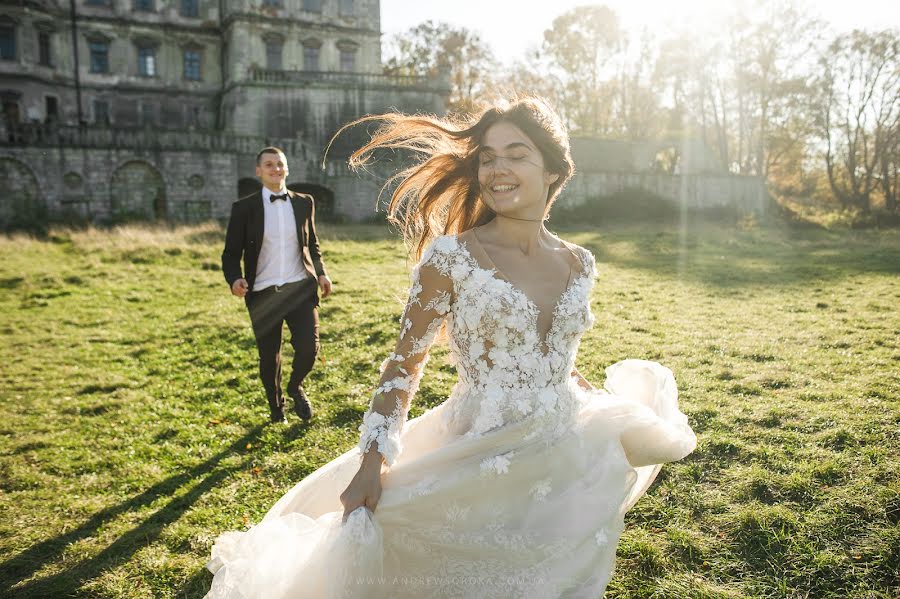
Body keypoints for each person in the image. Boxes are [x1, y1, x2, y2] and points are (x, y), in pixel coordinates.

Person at [206, 98, 696, 597]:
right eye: (487, 156)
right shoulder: (452, 258)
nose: (497, 168)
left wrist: (572, 380)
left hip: (565, 451)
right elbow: (402, 367)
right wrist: (372, 462)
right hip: (479, 451)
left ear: (553, 170)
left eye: (516, 153)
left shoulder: (580, 263)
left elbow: (552, 349)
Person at [221, 146, 332, 424]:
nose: (275, 169)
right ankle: (276, 409)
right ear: (258, 171)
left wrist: (321, 273)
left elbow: (312, 245)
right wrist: (235, 278)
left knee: (309, 348)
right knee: (269, 357)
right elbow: (231, 253)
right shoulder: (243, 208)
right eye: (269, 165)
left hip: (299, 290)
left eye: (280, 164)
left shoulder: (304, 202)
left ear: (287, 168)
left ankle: (295, 387)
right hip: (262, 294)